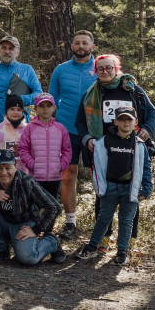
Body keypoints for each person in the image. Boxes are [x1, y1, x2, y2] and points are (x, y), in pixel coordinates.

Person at [77, 54, 155, 252]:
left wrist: (147, 128)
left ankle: (129, 240)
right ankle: (104, 239)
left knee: (133, 194)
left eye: (109, 68)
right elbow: (80, 121)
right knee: (102, 195)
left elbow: (151, 112)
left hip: (131, 150)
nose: (105, 71)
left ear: (116, 69)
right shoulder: (91, 93)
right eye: (100, 68)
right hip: (101, 153)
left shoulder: (132, 90)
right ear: (95, 71)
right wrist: (87, 139)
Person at [74, 106, 152, 266]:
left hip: (131, 188)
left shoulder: (139, 144)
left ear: (135, 122)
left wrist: (147, 188)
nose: (125, 122)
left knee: (126, 219)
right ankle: (92, 246)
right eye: (122, 119)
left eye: (129, 119)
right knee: (103, 217)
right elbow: (98, 164)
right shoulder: (104, 141)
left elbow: (146, 167)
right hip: (110, 186)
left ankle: (122, 251)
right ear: (115, 121)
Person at [0, 149, 66, 265]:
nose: (4, 172)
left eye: (8, 168)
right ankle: (0, 248)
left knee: (28, 258)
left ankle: (52, 242)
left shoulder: (26, 182)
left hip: (23, 225)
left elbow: (54, 206)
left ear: (15, 167)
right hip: (1, 223)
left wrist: (36, 229)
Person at [47, 30, 96, 239]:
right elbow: (51, 98)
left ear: (92, 47)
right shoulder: (61, 70)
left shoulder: (100, 68)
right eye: (77, 43)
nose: (81, 46)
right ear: (71, 47)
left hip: (95, 132)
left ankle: (101, 225)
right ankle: (70, 222)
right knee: (68, 175)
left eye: (85, 43)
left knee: (99, 178)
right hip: (66, 129)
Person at [17, 93, 71, 200]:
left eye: (48, 106)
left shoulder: (60, 128)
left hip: (54, 176)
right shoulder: (29, 128)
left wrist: (61, 166)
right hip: (36, 175)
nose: (45, 109)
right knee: (35, 206)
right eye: (41, 106)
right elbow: (23, 149)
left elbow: (67, 150)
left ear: (54, 108)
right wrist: (32, 164)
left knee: (52, 206)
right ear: (36, 108)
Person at [0, 36, 42, 123]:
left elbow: (38, 95)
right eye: (4, 48)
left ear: (18, 52)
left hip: (20, 125)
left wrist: (21, 99)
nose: (6, 51)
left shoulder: (27, 70)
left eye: (11, 48)